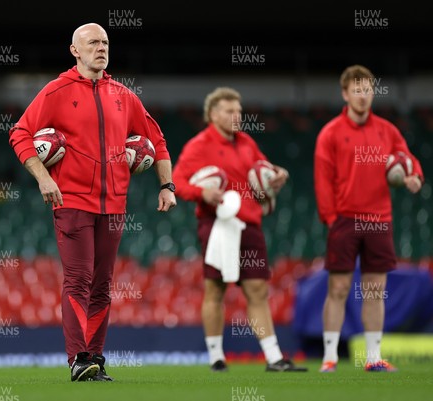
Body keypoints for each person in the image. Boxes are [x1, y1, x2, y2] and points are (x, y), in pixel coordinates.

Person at [8, 22, 177, 382]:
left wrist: (168, 186)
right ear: (74, 50)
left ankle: (95, 359)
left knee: (102, 285)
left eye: (105, 42)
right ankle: (77, 358)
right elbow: (19, 133)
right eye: (92, 43)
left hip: (115, 206)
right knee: (79, 279)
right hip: (72, 202)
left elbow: (157, 140)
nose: (101, 48)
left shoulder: (124, 94)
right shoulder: (56, 90)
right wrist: (43, 177)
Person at [172, 87, 307, 372]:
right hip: (217, 223)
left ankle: (274, 358)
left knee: (257, 289)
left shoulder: (246, 142)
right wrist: (201, 193)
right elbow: (177, 182)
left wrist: (277, 176)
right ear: (212, 114)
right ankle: (216, 357)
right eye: (230, 111)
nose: (237, 117)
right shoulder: (199, 145)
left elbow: (263, 172)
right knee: (216, 289)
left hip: (249, 224)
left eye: (239, 112)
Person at [314, 64, 424, 373]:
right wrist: (331, 218)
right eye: (356, 90)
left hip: (379, 220)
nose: (363, 96)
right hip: (345, 220)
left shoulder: (387, 131)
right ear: (345, 93)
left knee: (375, 290)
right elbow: (323, 180)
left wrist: (415, 176)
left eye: (368, 90)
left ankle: (373, 358)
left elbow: (408, 160)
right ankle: (330, 358)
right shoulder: (330, 133)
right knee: (337, 289)